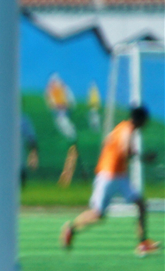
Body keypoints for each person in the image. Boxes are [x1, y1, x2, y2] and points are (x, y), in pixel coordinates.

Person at [61, 106, 157, 256]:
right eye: (145, 120)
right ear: (140, 119)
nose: (146, 123)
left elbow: (116, 146)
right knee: (97, 214)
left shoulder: (123, 128)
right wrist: (144, 158)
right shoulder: (127, 129)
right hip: (108, 175)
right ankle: (71, 228)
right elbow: (125, 149)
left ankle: (142, 243)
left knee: (141, 204)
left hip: (119, 175)